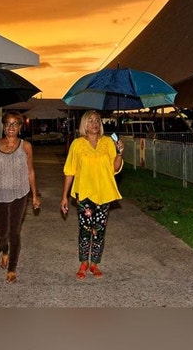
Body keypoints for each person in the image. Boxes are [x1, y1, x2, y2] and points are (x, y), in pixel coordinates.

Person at [60, 110, 125, 280]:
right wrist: (64, 196)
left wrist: (119, 153)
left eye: (97, 120)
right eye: (90, 120)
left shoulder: (108, 142)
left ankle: (95, 263)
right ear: (84, 124)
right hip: (84, 193)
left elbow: (115, 168)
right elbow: (70, 170)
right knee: (85, 229)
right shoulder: (77, 144)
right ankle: (84, 262)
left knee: (99, 230)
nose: (94, 124)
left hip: (104, 192)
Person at [0, 111, 40, 284]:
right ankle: (4, 251)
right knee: (1, 234)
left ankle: (12, 269)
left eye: (15, 124)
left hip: (20, 193)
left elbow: (31, 171)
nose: (11, 127)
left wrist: (35, 195)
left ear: (20, 127)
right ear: (3, 126)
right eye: (7, 124)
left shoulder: (26, 146)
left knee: (14, 232)